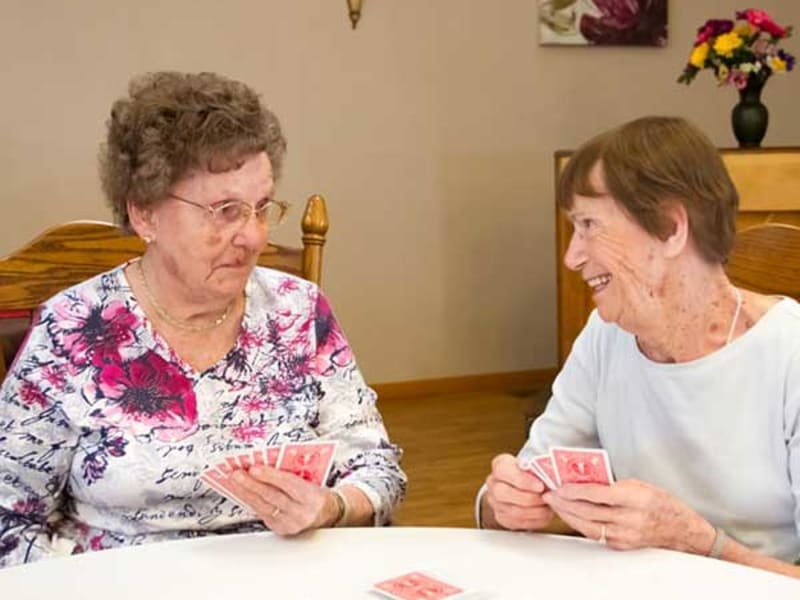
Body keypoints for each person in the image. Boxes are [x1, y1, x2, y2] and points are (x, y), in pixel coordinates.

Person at [0, 71, 406, 568]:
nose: (254, 237)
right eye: (225, 210)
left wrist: (335, 505)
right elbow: (8, 518)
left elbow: (377, 468)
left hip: (286, 579)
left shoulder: (299, 312)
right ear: (145, 215)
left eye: (260, 208)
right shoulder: (72, 329)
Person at [479, 116, 800, 578]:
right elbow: (527, 474)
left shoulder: (788, 355)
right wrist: (502, 503)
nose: (572, 256)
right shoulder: (606, 336)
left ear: (671, 228)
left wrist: (698, 542)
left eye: (589, 225)